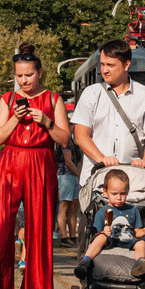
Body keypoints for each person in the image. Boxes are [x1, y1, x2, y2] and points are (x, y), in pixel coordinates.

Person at [0, 43, 71, 289]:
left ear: (39, 72)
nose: (24, 80)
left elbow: (65, 140)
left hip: (41, 162)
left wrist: (46, 122)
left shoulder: (53, 99)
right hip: (10, 163)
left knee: (39, 230)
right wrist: (15, 120)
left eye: (28, 75)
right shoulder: (7, 99)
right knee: (0, 228)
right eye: (19, 76)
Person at [73, 40, 145, 184]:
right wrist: (102, 159)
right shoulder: (91, 93)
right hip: (96, 180)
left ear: (126, 65)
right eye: (102, 64)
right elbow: (80, 135)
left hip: (132, 180)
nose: (105, 70)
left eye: (110, 65)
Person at [73, 168, 145, 280]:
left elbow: (136, 232)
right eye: (114, 194)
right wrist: (103, 232)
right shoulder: (104, 212)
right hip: (110, 240)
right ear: (105, 192)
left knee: (141, 243)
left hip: (129, 240)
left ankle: (140, 263)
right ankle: (85, 261)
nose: (119, 198)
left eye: (123, 193)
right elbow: (95, 234)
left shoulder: (133, 210)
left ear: (128, 192)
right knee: (100, 238)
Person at [54, 105, 82, 247]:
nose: (73, 126)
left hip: (72, 176)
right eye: (70, 124)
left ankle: (72, 235)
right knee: (64, 205)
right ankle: (64, 237)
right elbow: (68, 161)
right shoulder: (65, 140)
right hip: (65, 175)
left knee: (73, 207)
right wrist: (80, 176)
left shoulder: (72, 140)